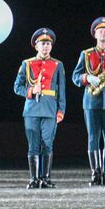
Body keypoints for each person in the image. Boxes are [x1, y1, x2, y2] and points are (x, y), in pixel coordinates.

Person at [72, 16, 105, 186]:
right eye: (100, 31)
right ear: (95, 34)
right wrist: (87, 77)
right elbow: (75, 77)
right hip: (91, 100)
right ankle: (96, 173)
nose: (103, 33)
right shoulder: (86, 54)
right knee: (93, 137)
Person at [15, 28, 66, 189]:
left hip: (50, 109)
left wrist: (61, 110)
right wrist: (30, 91)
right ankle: (34, 178)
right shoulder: (27, 64)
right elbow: (17, 87)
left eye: (48, 44)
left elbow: (62, 90)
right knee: (33, 144)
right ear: (36, 45)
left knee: (47, 143)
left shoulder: (57, 65)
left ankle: (45, 178)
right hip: (32, 109)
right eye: (43, 43)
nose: (46, 47)